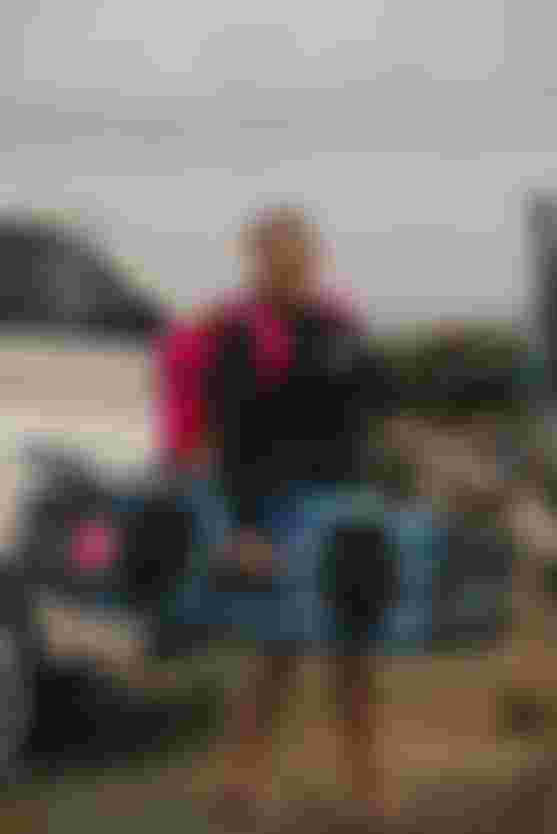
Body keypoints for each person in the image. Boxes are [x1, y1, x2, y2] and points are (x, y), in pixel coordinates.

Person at [153, 205, 406, 818]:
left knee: (356, 653)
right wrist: (244, 529)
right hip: (278, 508)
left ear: (313, 257)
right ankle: (241, 786)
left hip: (350, 507)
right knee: (277, 653)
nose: (288, 264)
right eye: (273, 254)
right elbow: (234, 436)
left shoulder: (338, 325)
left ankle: (369, 790)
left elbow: (379, 403)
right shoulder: (238, 334)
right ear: (255, 261)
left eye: (297, 252)